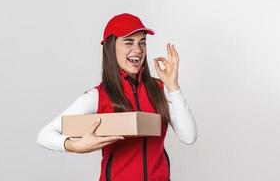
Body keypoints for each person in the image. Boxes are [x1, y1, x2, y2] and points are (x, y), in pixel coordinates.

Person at [36, 13, 197, 181]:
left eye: (142, 42)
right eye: (129, 42)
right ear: (111, 47)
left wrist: (173, 86)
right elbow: (44, 134)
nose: (139, 49)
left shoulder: (160, 88)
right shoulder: (98, 95)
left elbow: (189, 136)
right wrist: (76, 146)